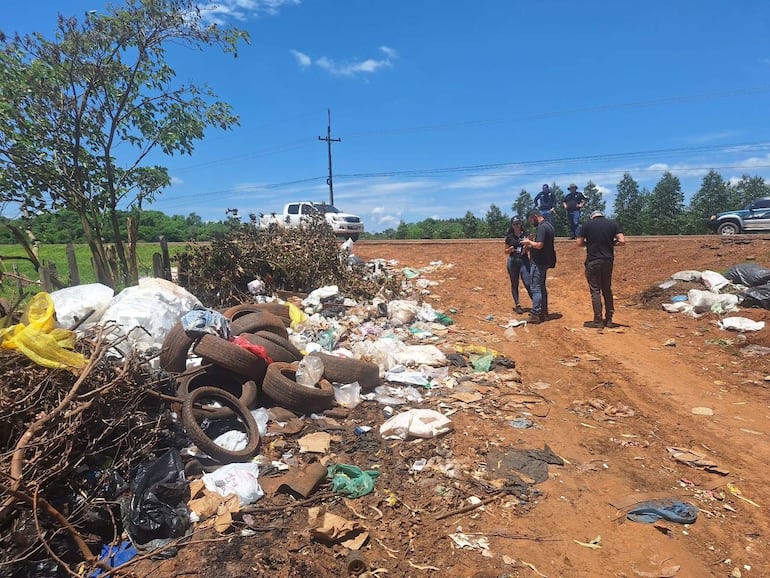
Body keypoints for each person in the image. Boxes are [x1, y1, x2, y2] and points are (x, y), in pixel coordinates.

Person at [576, 210, 626, 328]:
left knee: (595, 290)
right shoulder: (613, 224)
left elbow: (579, 243)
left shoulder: (587, 225)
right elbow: (622, 241)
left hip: (593, 260)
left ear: (592, 216)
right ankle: (609, 319)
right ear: (603, 215)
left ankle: (598, 320)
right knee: (607, 289)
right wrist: (611, 244)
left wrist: (588, 244)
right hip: (608, 260)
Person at [522, 209, 556, 324]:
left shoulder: (542, 227)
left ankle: (536, 314)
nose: (532, 222)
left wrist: (528, 242)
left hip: (539, 262)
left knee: (536, 288)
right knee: (541, 287)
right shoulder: (549, 226)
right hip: (545, 261)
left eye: (531, 220)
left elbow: (539, 245)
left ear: (535, 216)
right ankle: (544, 313)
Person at [504, 216, 532, 314]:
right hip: (513, 261)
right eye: (514, 224)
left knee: (528, 283)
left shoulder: (525, 235)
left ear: (521, 225)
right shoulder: (509, 237)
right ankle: (518, 305)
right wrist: (510, 250)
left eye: (518, 224)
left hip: (524, 260)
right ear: (512, 225)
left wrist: (527, 248)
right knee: (514, 283)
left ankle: (536, 304)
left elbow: (530, 247)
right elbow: (505, 251)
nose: (516, 226)